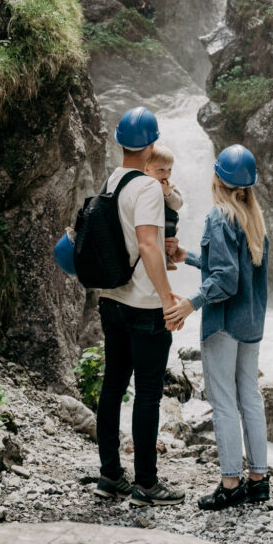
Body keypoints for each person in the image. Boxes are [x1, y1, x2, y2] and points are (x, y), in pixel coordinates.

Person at [165, 144, 269, 511]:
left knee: (223, 402)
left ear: (218, 179)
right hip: (251, 323)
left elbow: (226, 279)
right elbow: (231, 268)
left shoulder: (219, 217)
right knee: (250, 400)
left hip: (224, 324)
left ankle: (230, 484)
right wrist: (187, 256)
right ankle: (258, 480)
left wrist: (190, 303)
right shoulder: (253, 218)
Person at [94, 106, 185, 507]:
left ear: (120, 143)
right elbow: (148, 244)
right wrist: (168, 298)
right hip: (144, 305)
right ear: (151, 145)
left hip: (112, 298)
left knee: (113, 385)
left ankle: (110, 474)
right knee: (147, 393)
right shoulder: (149, 187)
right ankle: (146, 484)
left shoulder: (113, 180)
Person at [145, 142, 183, 271]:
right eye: (161, 169)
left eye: (169, 169)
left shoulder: (170, 186)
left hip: (166, 221)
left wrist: (167, 193)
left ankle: (166, 257)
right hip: (149, 223)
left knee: (169, 230)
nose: (166, 174)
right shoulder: (143, 184)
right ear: (146, 169)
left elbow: (178, 204)